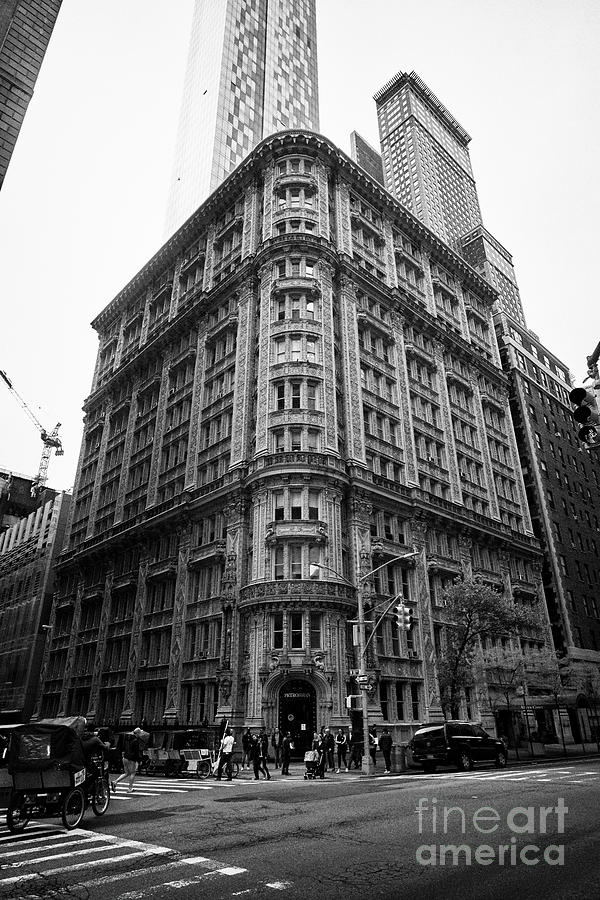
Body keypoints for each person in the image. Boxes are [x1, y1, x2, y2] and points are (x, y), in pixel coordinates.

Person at [112, 727, 146, 794]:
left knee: (126, 773)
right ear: (138, 733)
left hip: (125, 757)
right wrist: (139, 760)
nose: (141, 734)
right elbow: (136, 752)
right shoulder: (136, 741)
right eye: (140, 733)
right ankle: (130, 788)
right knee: (133, 773)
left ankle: (115, 782)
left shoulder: (127, 738)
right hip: (131, 758)